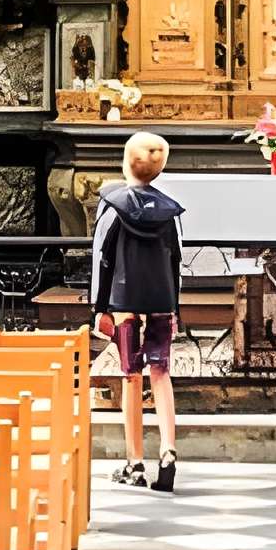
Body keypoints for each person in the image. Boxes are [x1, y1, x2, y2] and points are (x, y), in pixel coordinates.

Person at [90, 130, 186, 493]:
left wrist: (99, 306)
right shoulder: (169, 211)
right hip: (161, 301)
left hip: (124, 302)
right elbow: (175, 261)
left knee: (131, 375)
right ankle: (169, 450)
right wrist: (175, 308)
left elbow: (102, 258)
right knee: (161, 373)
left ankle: (134, 462)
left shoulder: (111, 205)